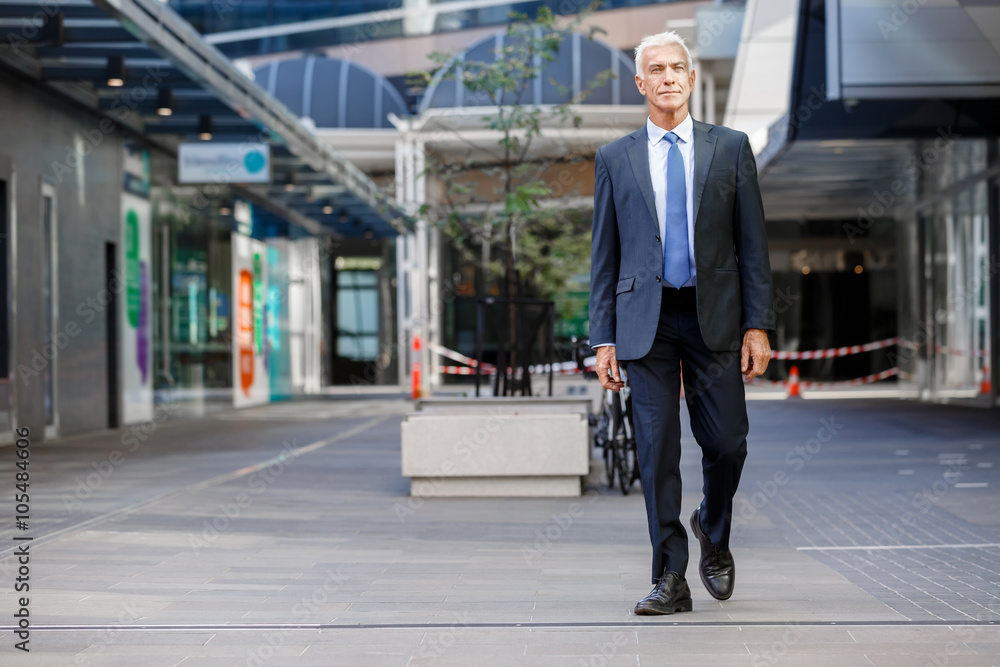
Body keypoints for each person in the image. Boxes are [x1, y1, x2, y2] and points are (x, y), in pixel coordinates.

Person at [588, 30, 774, 615]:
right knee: (656, 447)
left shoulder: (731, 147)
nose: (668, 78)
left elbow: (753, 245)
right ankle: (670, 576)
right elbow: (604, 255)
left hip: (712, 314)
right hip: (645, 320)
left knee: (726, 443)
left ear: (691, 80)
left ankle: (711, 531)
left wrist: (757, 324)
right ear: (641, 84)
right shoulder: (615, 158)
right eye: (656, 70)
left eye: (677, 68)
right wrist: (604, 337)